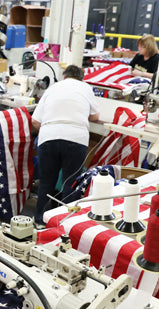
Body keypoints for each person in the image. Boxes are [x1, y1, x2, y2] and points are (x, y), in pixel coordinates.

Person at [31, 65, 100, 229]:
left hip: (49, 136)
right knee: (70, 183)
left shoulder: (53, 88)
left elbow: (35, 121)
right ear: (81, 78)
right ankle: (63, 224)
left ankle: (39, 221)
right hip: (76, 138)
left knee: (46, 182)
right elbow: (96, 116)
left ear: (64, 77)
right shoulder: (85, 88)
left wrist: (51, 129)